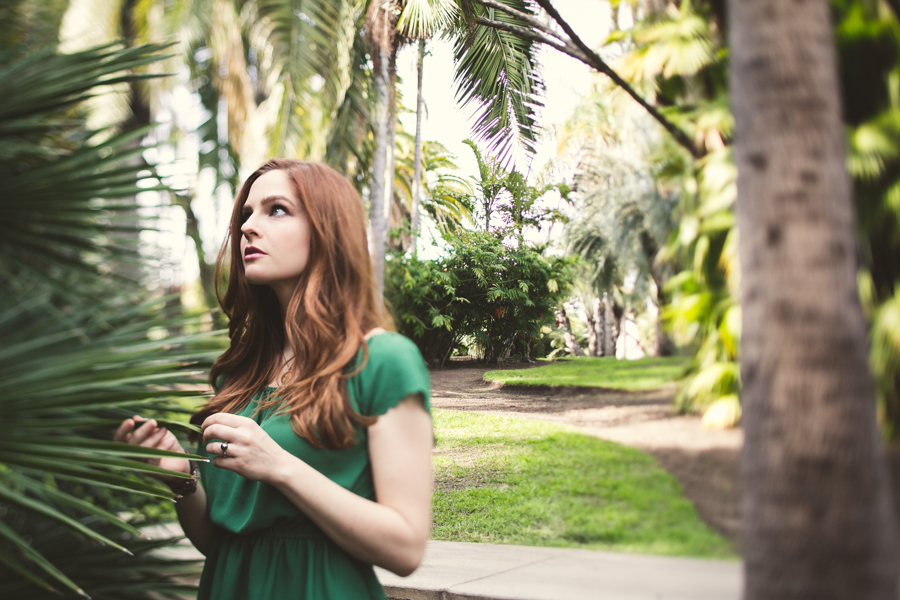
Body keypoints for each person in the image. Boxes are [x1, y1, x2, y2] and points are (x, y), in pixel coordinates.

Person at [113, 159, 433, 599]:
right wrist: (181, 479)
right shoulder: (239, 373)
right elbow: (224, 545)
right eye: (246, 213)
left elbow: (406, 547)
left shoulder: (381, 360)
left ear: (327, 231)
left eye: (276, 209)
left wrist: (281, 466)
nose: (248, 227)